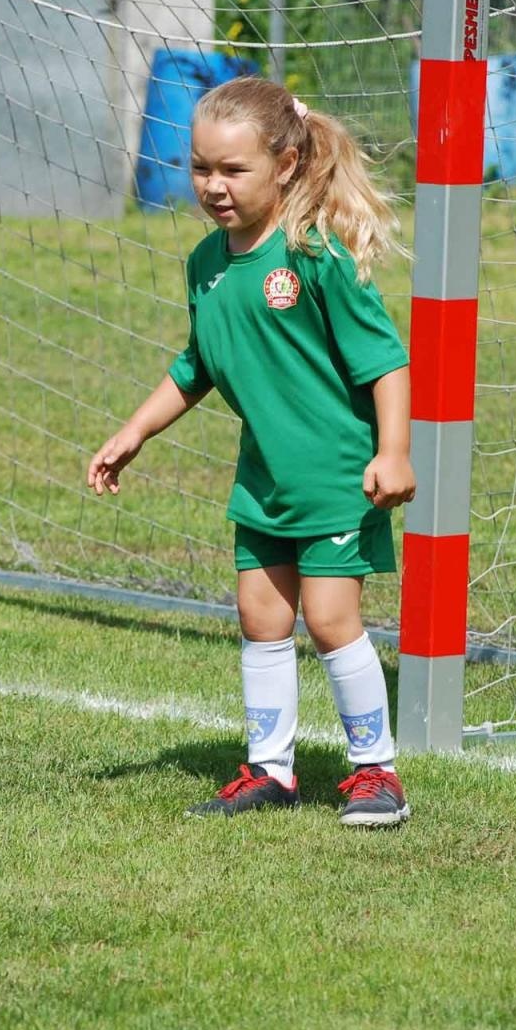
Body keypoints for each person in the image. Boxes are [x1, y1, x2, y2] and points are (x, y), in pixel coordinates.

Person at [86, 77, 414, 827]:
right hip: (264, 482)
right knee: (261, 617)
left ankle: (376, 774)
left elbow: (385, 361)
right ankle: (271, 770)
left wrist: (392, 452)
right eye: (201, 167)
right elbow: (196, 364)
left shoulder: (315, 256)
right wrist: (135, 430)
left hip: (335, 476)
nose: (213, 185)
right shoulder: (205, 264)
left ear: (288, 164)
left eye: (233, 171)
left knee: (332, 620)